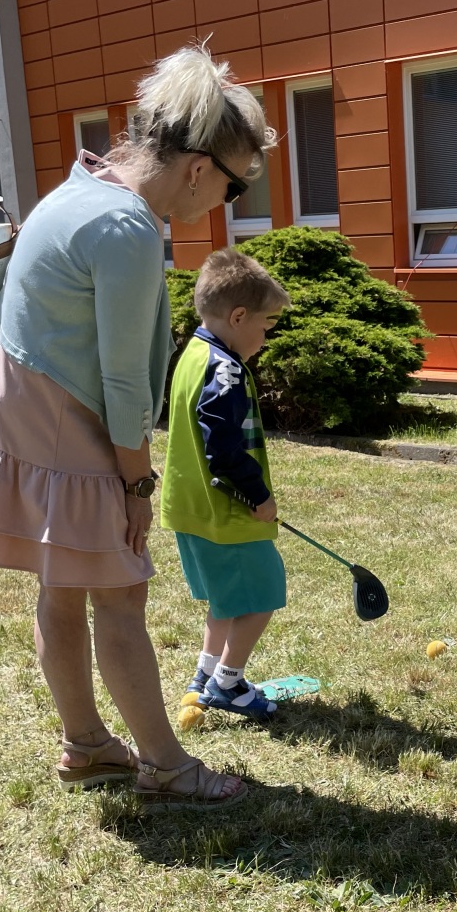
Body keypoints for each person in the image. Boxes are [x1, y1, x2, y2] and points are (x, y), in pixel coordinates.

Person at [0, 43, 273, 810]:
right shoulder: (128, 229)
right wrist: (136, 486)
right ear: (198, 169)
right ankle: (166, 765)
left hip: (23, 410)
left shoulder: (79, 186)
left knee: (62, 588)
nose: (224, 203)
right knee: (119, 597)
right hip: (66, 421)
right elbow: (125, 384)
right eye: (233, 186)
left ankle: (86, 743)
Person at [161, 249, 290, 718]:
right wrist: (259, 496)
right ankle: (227, 683)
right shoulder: (226, 370)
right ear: (238, 317)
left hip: (191, 508)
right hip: (227, 514)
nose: (265, 338)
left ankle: (205, 670)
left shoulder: (193, 355)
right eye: (266, 325)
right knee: (262, 595)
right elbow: (224, 450)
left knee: (226, 598)